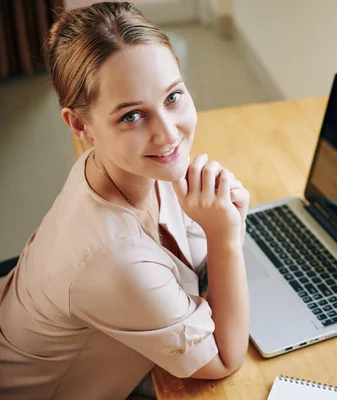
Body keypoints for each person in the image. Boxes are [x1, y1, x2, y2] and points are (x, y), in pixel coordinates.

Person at [0, 2, 250, 399]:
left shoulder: (121, 163)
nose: (168, 135)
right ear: (80, 124)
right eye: (132, 116)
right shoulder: (115, 259)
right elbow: (223, 360)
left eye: (173, 97)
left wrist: (219, 223)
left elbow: (192, 253)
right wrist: (226, 239)